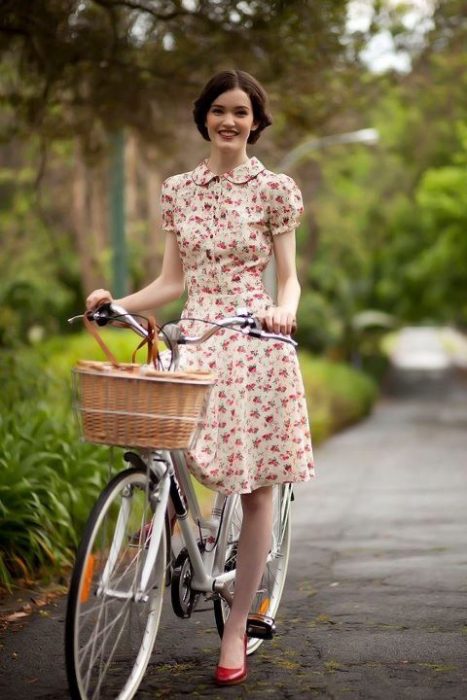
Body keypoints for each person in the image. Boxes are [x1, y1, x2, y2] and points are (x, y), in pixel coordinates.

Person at [86, 69, 315, 686]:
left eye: (242, 112)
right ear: (204, 117)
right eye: (220, 110)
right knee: (166, 442)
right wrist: (118, 304)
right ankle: (187, 523)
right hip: (194, 335)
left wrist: (283, 307)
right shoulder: (178, 191)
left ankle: (238, 623)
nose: (230, 121)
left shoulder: (275, 190)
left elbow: (289, 276)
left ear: (256, 122)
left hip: (251, 333)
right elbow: (171, 284)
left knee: (255, 484)